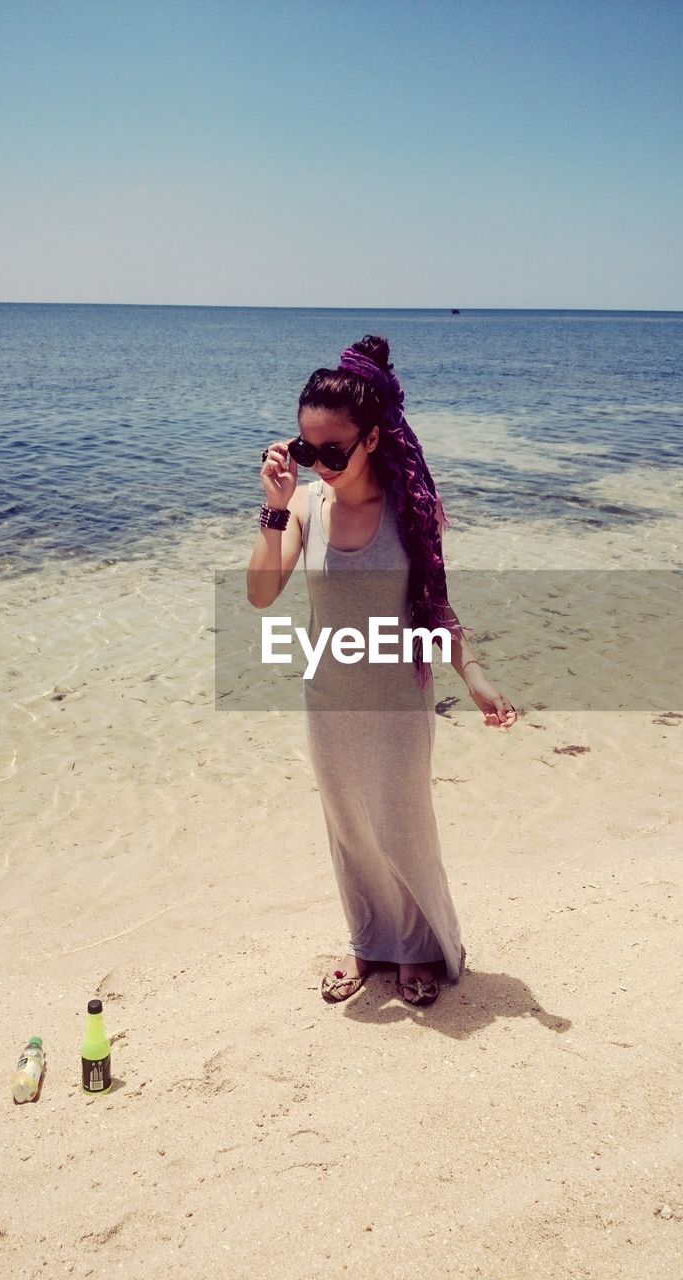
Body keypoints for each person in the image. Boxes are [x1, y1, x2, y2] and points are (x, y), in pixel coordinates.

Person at [247, 335, 517, 1007]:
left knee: (402, 825)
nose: (320, 463)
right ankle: (369, 942)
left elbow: (436, 606)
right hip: (328, 695)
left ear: (371, 437)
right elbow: (260, 594)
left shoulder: (409, 510)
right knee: (349, 828)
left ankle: (422, 947)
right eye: (307, 449)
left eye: (333, 449)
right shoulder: (306, 506)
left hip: (398, 698)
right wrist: (276, 503)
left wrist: (475, 677)